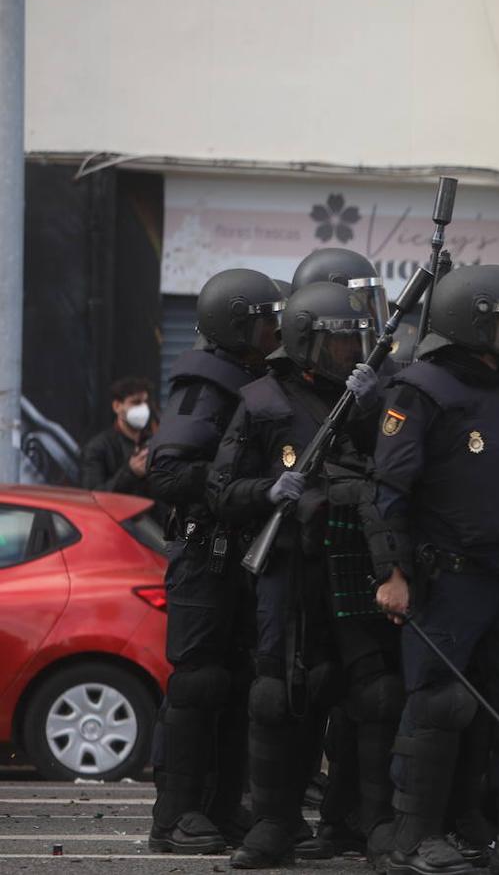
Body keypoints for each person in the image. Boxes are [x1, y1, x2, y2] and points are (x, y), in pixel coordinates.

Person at [362, 264, 499, 875]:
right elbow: (386, 491)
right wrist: (392, 573)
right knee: (439, 705)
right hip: (450, 577)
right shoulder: (420, 389)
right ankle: (415, 837)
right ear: (470, 326)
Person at [208, 280, 390, 869]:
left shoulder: (361, 399)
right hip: (289, 568)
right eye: (340, 345)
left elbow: (389, 466)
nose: (350, 354)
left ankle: (361, 822)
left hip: (354, 564)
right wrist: (268, 489)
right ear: (307, 342)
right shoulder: (261, 402)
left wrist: (370, 405)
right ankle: (273, 825)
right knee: (276, 696)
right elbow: (220, 490)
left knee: (371, 693)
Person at [146, 269, 287, 854]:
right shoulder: (206, 385)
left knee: (237, 686)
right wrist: (236, 481)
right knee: (200, 684)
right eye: (264, 322)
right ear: (236, 325)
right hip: (206, 553)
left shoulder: (253, 379)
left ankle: (222, 807)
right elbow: (167, 470)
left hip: (240, 556)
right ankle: (174, 817)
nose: (274, 331)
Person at [81, 375, 157, 497]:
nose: (143, 408)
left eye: (145, 402)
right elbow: (93, 497)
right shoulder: (98, 447)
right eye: (136, 402)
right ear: (117, 406)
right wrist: (131, 473)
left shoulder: (154, 441)